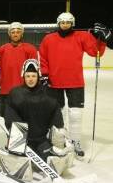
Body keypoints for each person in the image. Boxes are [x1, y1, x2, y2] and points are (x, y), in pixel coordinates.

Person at [39, 12, 106, 157]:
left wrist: (101, 40)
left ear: (72, 23)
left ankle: (75, 141)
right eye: (62, 22)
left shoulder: (82, 36)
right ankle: (60, 139)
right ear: (58, 23)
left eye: (68, 22)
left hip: (75, 81)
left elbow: (95, 52)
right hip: (54, 81)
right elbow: (43, 57)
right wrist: (44, 74)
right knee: (58, 112)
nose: (65, 25)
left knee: (75, 113)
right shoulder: (48, 38)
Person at [0, 22, 37, 117]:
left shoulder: (30, 49)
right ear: (9, 34)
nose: (15, 34)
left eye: (18, 32)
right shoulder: (2, 49)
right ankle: (10, 132)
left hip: (24, 90)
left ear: (22, 34)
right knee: (7, 116)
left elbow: (34, 70)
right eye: (13, 32)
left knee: (24, 116)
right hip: (5, 90)